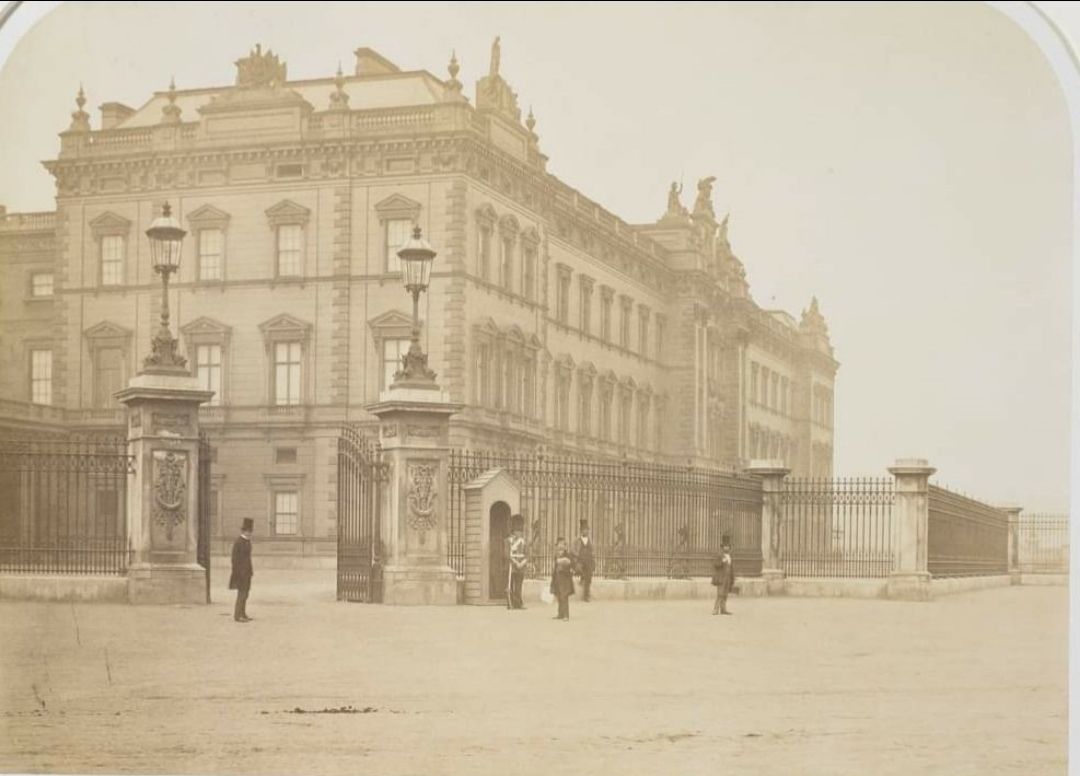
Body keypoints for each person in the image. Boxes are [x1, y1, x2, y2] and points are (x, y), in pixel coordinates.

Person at [229, 518, 254, 623]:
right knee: (241, 594)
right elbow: (234, 559)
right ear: (243, 531)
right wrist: (238, 572)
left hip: (247, 573)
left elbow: (248, 558)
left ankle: (243, 614)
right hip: (240, 573)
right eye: (248, 531)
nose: (249, 533)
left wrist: (250, 571)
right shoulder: (238, 542)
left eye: (250, 531)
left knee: (246, 594)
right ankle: (237, 615)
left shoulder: (247, 542)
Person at [571, 519, 596, 602]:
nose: (586, 531)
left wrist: (592, 555)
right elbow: (572, 550)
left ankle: (586, 596)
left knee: (588, 576)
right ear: (581, 531)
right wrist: (577, 555)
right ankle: (582, 577)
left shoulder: (589, 540)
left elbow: (592, 550)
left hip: (588, 561)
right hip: (579, 561)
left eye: (587, 530)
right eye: (585, 530)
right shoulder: (577, 540)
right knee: (582, 571)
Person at [550, 537, 575, 621]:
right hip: (557, 577)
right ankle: (560, 614)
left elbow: (570, 562)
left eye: (562, 544)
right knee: (558, 595)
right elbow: (556, 564)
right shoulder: (556, 555)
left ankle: (566, 615)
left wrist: (563, 560)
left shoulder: (568, 554)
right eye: (559, 544)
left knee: (564, 596)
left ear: (565, 546)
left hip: (565, 578)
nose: (560, 546)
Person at [506, 515, 527, 610]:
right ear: (513, 531)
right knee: (510, 585)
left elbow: (527, 554)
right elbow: (507, 554)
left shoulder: (523, 541)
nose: (519, 533)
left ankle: (518, 602)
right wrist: (516, 563)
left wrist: (522, 563)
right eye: (517, 531)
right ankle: (511, 602)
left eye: (520, 531)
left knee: (519, 585)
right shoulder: (508, 540)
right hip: (512, 566)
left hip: (521, 565)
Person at [711, 535, 734, 616]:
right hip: (721, 578)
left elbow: (731, 567)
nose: (726, 547)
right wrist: (722, 561)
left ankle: (723, 609)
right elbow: (715, 564)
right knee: (720, 594)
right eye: (725, 546)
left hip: (728, 578)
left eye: (728, 546)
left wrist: (732, 578)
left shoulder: (730, 556)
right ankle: (715, 609)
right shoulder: (719, 555)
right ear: (722, 547)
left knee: (725, 594)